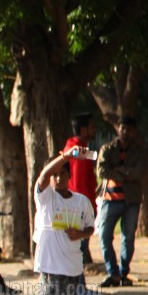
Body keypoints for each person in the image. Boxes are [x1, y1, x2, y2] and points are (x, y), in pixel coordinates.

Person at [33, 152, 95, 295]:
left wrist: (79, 234)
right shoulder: (46, 197)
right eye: (54, 175)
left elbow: (90, 227)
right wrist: (65, 155)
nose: (58, 179)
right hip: (50, 265)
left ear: (69, 175)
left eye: (62, 174)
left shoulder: (81, 201)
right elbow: (43, 175)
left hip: (72, 265)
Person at [97, 116, 147, 287]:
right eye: (123, 128)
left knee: (128, 238)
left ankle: (124, 273)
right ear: (118, 129)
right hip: (109, 199)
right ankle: (113, 273)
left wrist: (119, 171)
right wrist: (125, 174)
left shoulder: (139, 152)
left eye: (129, 129)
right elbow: (102, 171)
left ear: (134, 131)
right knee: (104, 236)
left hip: (131, 201)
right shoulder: (107, 149)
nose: (125, 132)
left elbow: (139, 172)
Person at [62, 113, 98, 265]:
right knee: (78, 249)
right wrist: (84, 204)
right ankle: (78, 286)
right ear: (83, 130)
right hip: (80, 206)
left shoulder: (81, 149)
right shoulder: (76, 151)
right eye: (92, 127)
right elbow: (77, 182)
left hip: (85, 202)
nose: (95, 130)